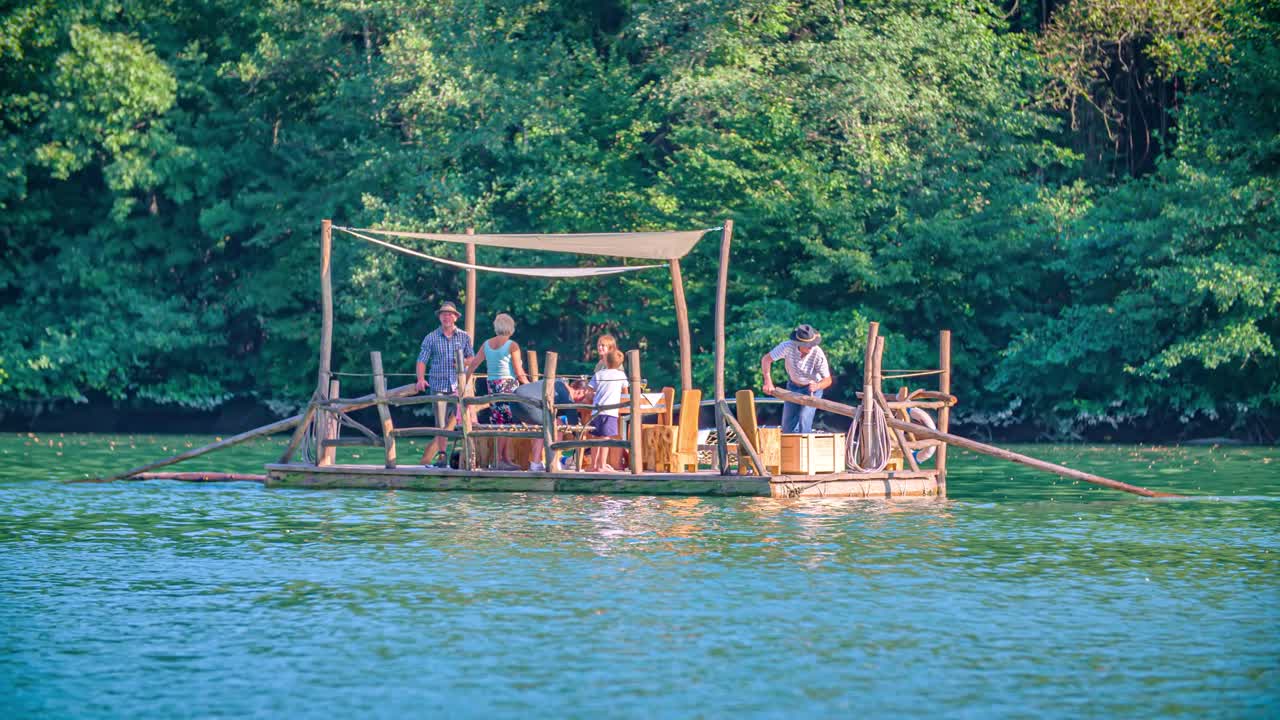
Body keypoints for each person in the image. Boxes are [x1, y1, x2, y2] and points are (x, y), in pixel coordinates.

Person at [462, 313, 530, 470]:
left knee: (501, 422)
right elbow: (519, 372)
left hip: (492, 385)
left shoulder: (486, 344)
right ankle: (499, 459)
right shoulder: (512, 345)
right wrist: (530, 385)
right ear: (510, 327)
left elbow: (473, 365)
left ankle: (504, 458)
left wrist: (464, 382)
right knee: (505, 424)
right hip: (508, 385)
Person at [415, 301, 475, 466]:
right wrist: (420, 379)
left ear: (455, 317)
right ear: (440, 317)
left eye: (450, 314)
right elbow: (422, 360)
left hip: (459, 387)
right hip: (438, 386)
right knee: (440, 424)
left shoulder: (464, 336)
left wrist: (463, 361)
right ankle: (442, 456)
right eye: (443, 314)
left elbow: (472, 358)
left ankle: (467, 457)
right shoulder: (431, 337)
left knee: (464, 421)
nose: (446, 317)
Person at [760, 324, 833, 434]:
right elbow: (766, 359)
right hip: (793, 386)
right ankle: (792, 450)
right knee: (787, 427)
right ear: (799, 343)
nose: (811, 347)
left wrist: (817, 386)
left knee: (804, 418)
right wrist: (768, 381)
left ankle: (805, 449)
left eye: (812, 344)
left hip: (812, 389)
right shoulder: (787, 346)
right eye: (808, 345)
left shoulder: (818, 353)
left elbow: (828, 380)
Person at [511, 378, 592, 471]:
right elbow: (573, 423)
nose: (582, 401)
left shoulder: (558, 384)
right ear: (580, 391)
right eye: (584, 397)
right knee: (558, 425)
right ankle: (554, 462)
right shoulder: (567, 394)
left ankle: (536, 463)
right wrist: (582, 441)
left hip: (515, 405)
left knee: (543, 425)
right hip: (528, 405)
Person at [588, 349, 627, 472]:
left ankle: (593, 465)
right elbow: (626, 393)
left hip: (596, 411)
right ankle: (602, 465)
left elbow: (589, 392)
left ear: (605, 361)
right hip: (610, 412)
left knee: (595, 437)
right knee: (605, 438)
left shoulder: (599, 374)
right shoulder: (621, 375)